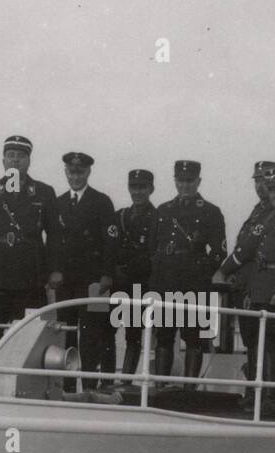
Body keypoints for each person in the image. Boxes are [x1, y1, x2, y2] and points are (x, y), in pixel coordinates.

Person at [214, 167, 275, 417]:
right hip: (260, 289)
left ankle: (273, 399)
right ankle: (262, 394)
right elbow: (247, 247)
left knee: (274, 346)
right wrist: (223, 271)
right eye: (272, 190)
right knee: (261, 345)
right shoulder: (270, 217)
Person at [0, 135, 62, 362]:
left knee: (29, 327)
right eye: (11, 155)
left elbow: (55, 235)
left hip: (30, 272)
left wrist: (55, 269)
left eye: (21, 156)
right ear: (3, 160)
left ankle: (22, 380)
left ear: (29, 160)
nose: (15, 161)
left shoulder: (44, 192)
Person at [147, 160, 226, 382]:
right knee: (164, 336)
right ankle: (162, 385)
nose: (184, 185)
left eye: (189, 181)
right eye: (180, 181)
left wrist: (201, 271)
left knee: (193, 337)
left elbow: (219, 251)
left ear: (198, 181)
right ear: (175, 181)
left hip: (194, 282)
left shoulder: (211, 211)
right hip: (165, 282)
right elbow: (152, 248)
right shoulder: (163, 210)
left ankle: (189, 389)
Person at [52, 151, 117, 388]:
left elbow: (111, 241)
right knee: (66, 332)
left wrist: (107, 274)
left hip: (93, 282)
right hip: (66, 282)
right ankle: (66, 386)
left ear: (88, 172)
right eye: (71, 172)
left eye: (80, 172)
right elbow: (54, 243)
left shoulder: (101, 202)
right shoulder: (57, 203)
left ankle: (89, 386)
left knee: (93, 334)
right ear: (66, 172)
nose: (75, 176)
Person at [232, 162, 275, 399]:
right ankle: (254, 392)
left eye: (265, 180)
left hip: (262, 288)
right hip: (245, 285)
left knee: (265, 342)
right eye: (257, 181)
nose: (261, 186)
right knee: (251, 341)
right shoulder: (257, 211)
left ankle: (264, 396)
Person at [109, 169, 158, 382]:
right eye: (134, 187)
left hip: (140, 283)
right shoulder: (120, 216)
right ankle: (107, 379)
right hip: (118, 282)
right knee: (107, 330)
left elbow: (153, 252)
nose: (137, 192)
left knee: (133, 335)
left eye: (142, 187)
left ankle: (126, 380)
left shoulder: (158, 218)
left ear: (151, 189)